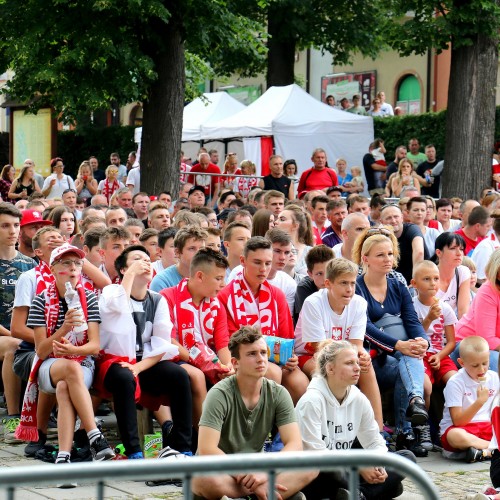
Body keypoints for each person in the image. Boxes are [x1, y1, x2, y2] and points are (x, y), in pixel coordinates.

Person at [17, 243, 115, 469]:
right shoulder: (41, 299)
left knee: (64, 386)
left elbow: (94, 346)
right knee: (68, 371)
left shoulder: (88, 298)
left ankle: (63, 454)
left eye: (78, 264)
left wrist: (74, 351)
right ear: (53, 269)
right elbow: (40, 350)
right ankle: (94, 435)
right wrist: (63, 330)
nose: (73, 268)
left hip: (82, 362)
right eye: (66, 263)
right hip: (48, 363)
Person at [192, 326, 316, 500]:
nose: (261, 359)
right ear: (235, 363)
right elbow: (207, 449)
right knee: (200, 479)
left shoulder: (278, 393)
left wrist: (266, 472)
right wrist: (246, 475)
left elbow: (294, 444)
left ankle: (256, 493)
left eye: (263, 353)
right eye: (252, 354)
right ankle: (265, 494)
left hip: (259, 472)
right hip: (224, 471)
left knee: (311, 465)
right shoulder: (219, 394)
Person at [94, 245, 192, 460]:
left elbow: (162, 344)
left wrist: (139, 367)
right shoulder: (111, 292)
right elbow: (118, 306)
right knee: (124, 376)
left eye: (147, 259)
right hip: (113, 362)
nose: (144, 262)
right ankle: (133, 451)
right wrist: (130, 273)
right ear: (122, 269)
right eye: (137, 259)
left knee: (179, 375)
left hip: (144, 363)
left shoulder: (157, 299)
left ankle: (182, 446)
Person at [296, 340, 414, 500]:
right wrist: (358, 467)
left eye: (357, 363)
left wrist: (377, 465)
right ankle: (377, 491)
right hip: (318, 474)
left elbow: (374, 442)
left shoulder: (358, 398)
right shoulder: (311, 401)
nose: (357, 368)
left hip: (346, 471)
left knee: (407, 458)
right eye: (349, 363)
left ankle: (360, 494)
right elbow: (315, 456)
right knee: (331, 469)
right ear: (330, 368)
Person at [353, 227, 431, 455]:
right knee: (406, 360)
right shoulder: (357, 287)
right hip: (374, 357)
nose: (387, 259)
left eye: (390, 254)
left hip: (401, 354)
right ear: (366, 259)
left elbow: (411, 319)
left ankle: (410, 414)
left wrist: (422, 340)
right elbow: (365, 328)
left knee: (406, 361)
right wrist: (399, 346)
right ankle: (406, 428)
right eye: (380, 255)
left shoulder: (397, 285)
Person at [294, 258, 383, 426]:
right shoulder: (313, 302)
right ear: (328, 283)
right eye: (343, 283)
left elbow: (356, 343)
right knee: (331, 371)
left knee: (365, 365)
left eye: (352, 283)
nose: (349, 289)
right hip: (308, 355)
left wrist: (361, 355)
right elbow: (318, 347)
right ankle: (335, 428)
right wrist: (348, 358)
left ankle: (377, 429)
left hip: (341, 354)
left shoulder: (359, 303)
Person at [219, 237, 308, 404]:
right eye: (257, 263)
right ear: (243, 261)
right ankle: (263, 426)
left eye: (268, 263)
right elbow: (229, 341)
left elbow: (286, 337)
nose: (263, 269)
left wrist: (291, 357)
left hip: (276, 359)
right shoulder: (225, 296)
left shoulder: (277, 295)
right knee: (272, 373)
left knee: (301, 384)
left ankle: (283, 429)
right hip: (243, 358)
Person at [161, 248, 232, 426]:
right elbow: (168, 339)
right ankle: (203, 439)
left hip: (207, 359)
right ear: (200, 276)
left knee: (234, 375)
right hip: (173, 358)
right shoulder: (168, 297)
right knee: (197, 376)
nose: (223, 284)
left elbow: (223, 343)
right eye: (218, 278)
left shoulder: (217, 304)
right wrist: (201, 362)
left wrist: (227, 366)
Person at [440, 336, 498, 462]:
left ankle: (484, 452)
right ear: (461, 363)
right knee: (455, 436)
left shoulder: (494, 377)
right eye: (475, 365)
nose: (482, 369)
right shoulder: (455, 382)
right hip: (463, 429)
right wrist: (479, 402)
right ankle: (493, 449)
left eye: (485, 363)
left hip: (487, 426)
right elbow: (458, 421)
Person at [411, 261, 458, 414]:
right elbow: (413, 336)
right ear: (414, 283)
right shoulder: (411, 306)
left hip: (440, 356)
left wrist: (439, 356)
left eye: (436, 279)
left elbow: (451, 342)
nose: (433, 283)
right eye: (426, 279)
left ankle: (453, 421)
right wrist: (429, 319)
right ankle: (424, 424)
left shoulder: (445, 308)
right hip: (420, 355)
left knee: (455, 382)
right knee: (425, 387)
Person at [454, 249, 500, 371]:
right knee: (495, 359)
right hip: (467, 344)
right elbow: (487, 339)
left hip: (492, 345)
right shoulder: (487, 291)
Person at [379, 204, 429, 284]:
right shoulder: (380, 235)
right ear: (381, 222)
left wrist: (416, 281)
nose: (393, 220)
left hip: (417, 280)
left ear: (402, 218)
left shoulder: (412, 229)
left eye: (396, 216)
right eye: (388, 218)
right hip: (394, 282)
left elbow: (419, 252)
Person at [150, 225, 207, 292]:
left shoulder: (211, 276)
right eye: (192, 248)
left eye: (202, 249)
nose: (198, 253)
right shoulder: (162, 282)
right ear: (177, 252)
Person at [433, 232, 471, 319]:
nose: (459, 253)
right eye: (453, 248)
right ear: (439, 252)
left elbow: (463, 311)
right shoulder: (427, 274)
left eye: (461, 249)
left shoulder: (463, 272)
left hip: (453, 326)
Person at [293, 245, 334, 324]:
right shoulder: (303, 288)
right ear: (310, 274)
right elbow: (310, 321)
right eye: (319, 274)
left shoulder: (340, 284)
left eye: (329, 272)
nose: (325, 279)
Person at [274, 204, 313, 275]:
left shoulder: (311, 252)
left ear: (295, 226)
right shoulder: (271, 249)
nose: (275, 222)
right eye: (277, 218)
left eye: (282, 219)